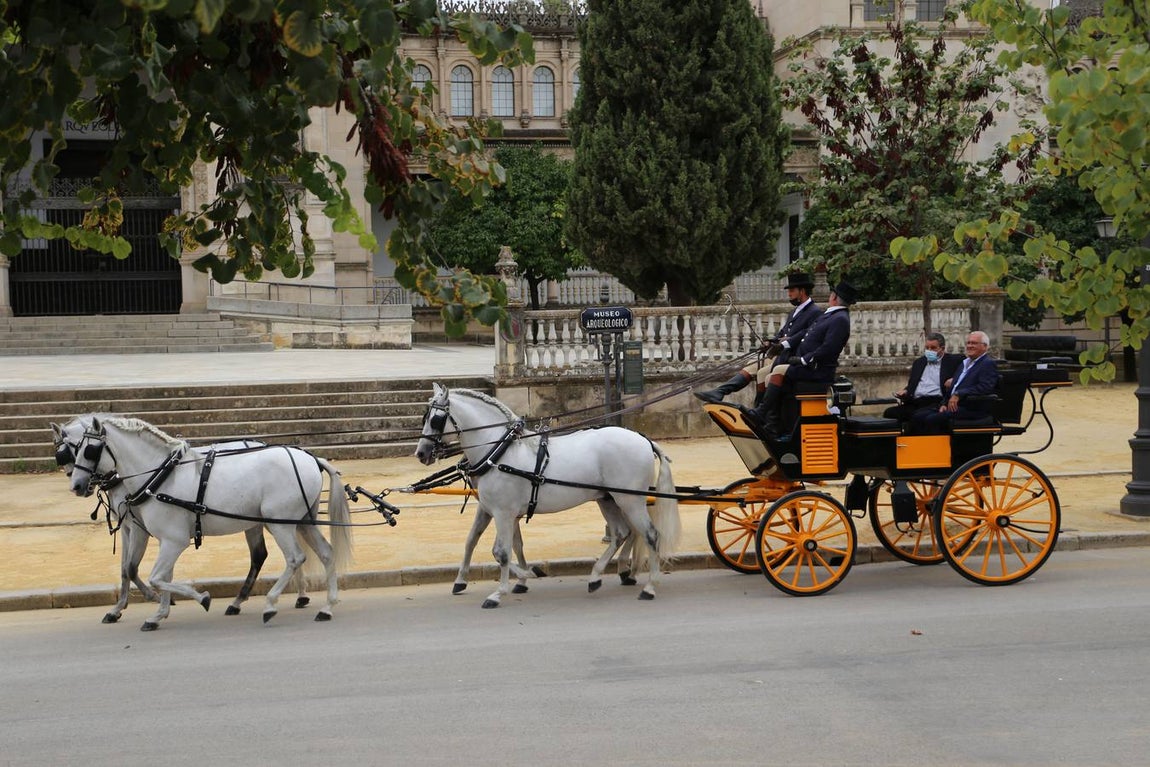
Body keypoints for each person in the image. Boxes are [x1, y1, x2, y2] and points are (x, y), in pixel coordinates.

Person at [741, 280, 858, 439]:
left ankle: (763, 415)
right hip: (806, 364)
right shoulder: (832, 314)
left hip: (817, 370)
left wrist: (804, 359)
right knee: (768, 374)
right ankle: (769, 422)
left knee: (778, 371)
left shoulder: (840, 319)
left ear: (834, 297)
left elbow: (829, 348)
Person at [694, 273, 820, 404]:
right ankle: (721, 392)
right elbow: (782, 333)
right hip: (781, 355)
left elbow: (806, 334)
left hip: (792, 357)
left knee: (760, 372)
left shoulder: (814, 312)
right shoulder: (795, 311)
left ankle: (759, 410)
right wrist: (771, 342)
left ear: (802, 291)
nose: (789, 294)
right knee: (752, 364)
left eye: (792, 290)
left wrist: (784, 344)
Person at [910, 330, 999, 435]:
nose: (969, 346)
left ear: (985, 346)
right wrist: (944, 403)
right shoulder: (965, 363)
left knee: (932, 419)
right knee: (917, 416)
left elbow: (985, 387)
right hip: (953, 405)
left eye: (974, 343)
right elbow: (954, 386)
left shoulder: (987, 363)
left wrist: (959, 393)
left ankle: (939, 449)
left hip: (971, 407)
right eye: (968, 343)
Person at [883, 332, 962, 422]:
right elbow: (913, 384)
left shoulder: (953, 361)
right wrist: (906, 391)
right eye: (927, 348)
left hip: (936, 401)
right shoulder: (919, 363)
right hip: (915, 402)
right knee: (889, 413)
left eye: (933, 348)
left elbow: (966, 371)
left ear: (942, 349)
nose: (929, 351)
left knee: (918, 416)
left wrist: (954, 379)